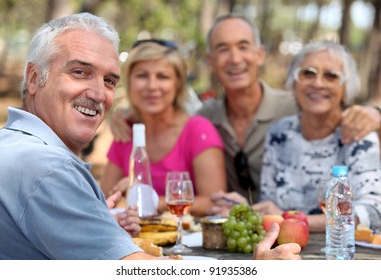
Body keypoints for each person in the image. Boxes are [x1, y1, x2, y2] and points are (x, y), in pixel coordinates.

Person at [0, 12, 301, 260]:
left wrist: (101, 221)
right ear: (34, 78)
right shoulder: (47, 166)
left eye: (110, 80)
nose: (99, 93)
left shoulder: (6, 144)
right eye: (79, 72)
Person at [110, 14, 381, 215]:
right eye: (223, 49)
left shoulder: (297, 105)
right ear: (211, 61)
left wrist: (376, 112)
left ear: (260, 54)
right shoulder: (207, 117)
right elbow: (165, 113)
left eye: (243, 46)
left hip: (296, 227)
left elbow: (341, 113)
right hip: (245, 228)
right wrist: (123, 114)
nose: (235, 58)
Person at [255, 41, 381, 233]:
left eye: (331, 76)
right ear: (294, 83)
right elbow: (268, 204)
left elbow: (372, 211)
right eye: (308, 73)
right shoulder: (279, 134)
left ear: (345, 89)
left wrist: (296, 221)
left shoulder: (359, 134)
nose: (318, 83)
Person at [100, 39, 227, 217]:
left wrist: (149, 199)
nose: (152, 86)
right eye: (142, 76)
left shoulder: (198, 130)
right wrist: (119, 194)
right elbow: (102, 200)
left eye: (163, 77)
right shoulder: (127, 130)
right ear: (129, 83)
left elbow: (215, 202)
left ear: (178, 84)